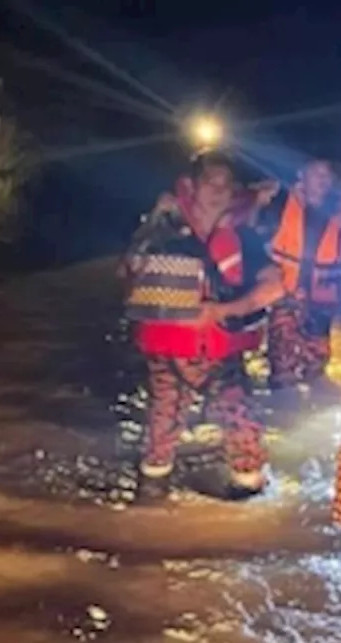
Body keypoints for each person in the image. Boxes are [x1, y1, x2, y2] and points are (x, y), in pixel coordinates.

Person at [123, 151, 284, 503]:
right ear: (191, 187)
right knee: (162, 426)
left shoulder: (243, 236)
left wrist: (222, 310)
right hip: (165, 349)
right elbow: (127, 272)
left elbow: (275, 285)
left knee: (241, 422)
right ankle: (151, 498)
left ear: (233, 192)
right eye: (210, 182)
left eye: (225, 185)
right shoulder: (162, 228)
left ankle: (247, 500)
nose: (217, 190)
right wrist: (152, 221)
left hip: (217, 349)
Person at [253, 158, 341, 390]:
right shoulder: (280, 204)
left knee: (317, 361)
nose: (323, 180)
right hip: (286, 294)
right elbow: (255, 238)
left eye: (327, 175)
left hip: (323, 299)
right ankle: (282, 405)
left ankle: (312, 406)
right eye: (317, 174)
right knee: (283, 359)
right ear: (301, 175)